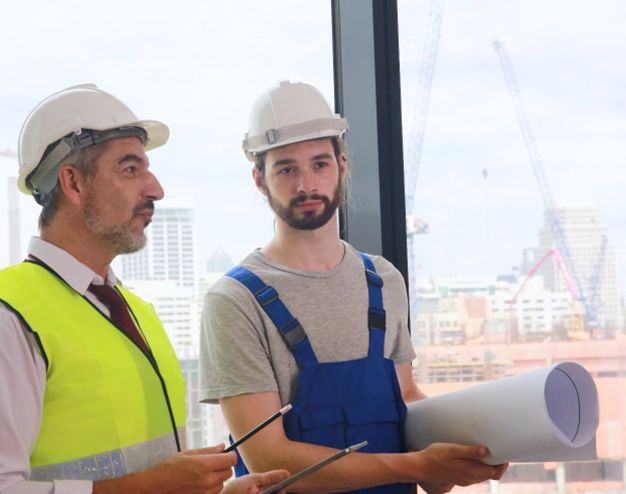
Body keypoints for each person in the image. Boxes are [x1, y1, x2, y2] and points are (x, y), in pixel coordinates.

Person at [199, 80, 508, 493]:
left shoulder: (382, 280)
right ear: (259, 179)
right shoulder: (235, 302)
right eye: (286, 168)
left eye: (320, 164)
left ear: (342, 166)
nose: (306, 184)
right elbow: (268, 459)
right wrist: (412, 465)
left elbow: (405, 394)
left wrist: (453, 455)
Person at [0, 84, 289, 494]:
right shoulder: (11, 316)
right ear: (73, 184)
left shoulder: (136, 312)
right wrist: (149, 486)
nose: (155, 189)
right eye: (130, 169)